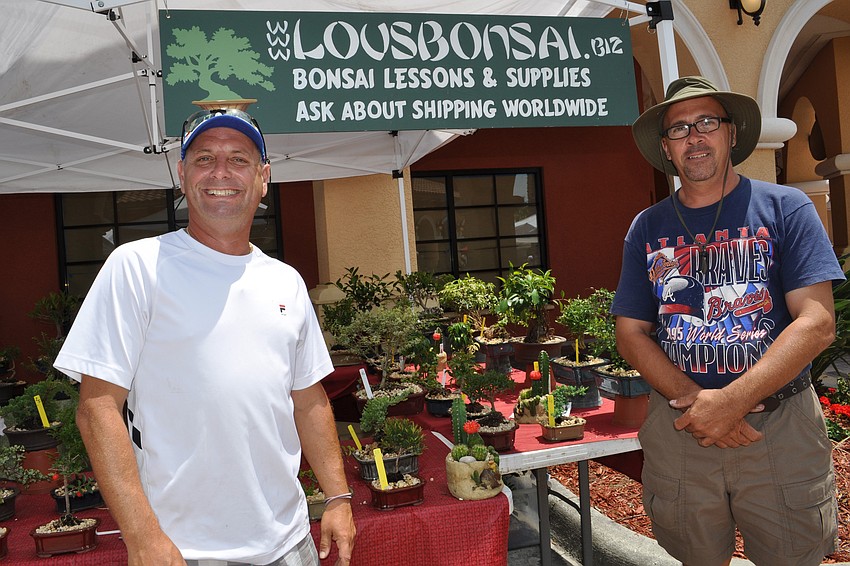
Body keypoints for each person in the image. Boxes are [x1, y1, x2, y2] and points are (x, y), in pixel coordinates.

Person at [54, 108, 356, 566]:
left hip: (290, 544)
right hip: (181, 551)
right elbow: (97, 410)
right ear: (181, 174)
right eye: (203, 159)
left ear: (263, 177)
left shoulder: (286, 282)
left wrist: (337, 496)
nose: (221, 173)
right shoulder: (136, 267)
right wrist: (142, 537)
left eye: (239, 159)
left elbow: (308, 398)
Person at [612, 76, 842, 566]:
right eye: (679, 129)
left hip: (778, 429)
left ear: (732, 134)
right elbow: (631, 333)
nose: (695, 137)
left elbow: (818, 322)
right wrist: (703, 405)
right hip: (683, 431)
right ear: (666, 149)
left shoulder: (786, 208)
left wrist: (734, 401)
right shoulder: (646, 228)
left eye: (707, 123)